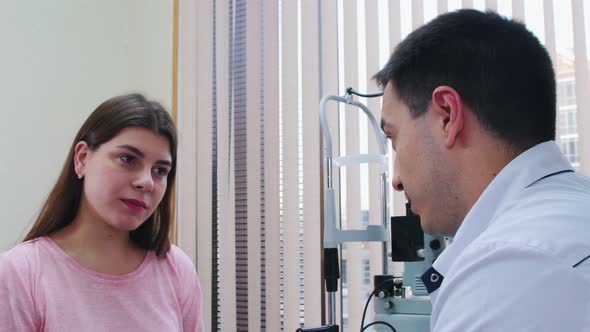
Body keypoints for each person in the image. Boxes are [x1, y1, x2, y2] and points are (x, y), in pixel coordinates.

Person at [375, 9, 590, 331]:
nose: (395, 181)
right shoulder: (573, 212)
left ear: (447, 116)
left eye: (393, 138)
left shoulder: (513, 269)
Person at [0, 94, 203, 331]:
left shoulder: (176, 269)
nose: (146, 182)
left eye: (159, 170)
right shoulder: (20, 272)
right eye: (128, 159)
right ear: (83, 158)